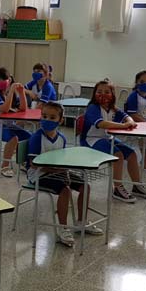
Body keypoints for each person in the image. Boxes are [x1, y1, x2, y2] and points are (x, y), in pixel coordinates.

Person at [26, 102, 101, 246]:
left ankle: (81, 222)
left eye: (52, 117)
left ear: (60, 120)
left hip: (58, 171)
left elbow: (62, 159)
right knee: (65, 190)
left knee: (85, 186)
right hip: (39, 174)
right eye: (44, 116)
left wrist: (64, 171)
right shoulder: (37, 137)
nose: (47, 120)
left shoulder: (62, 138)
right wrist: (57, 171)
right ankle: (63, 228)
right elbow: (33, 164)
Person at [81, 80, 146, 203]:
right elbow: (101, 124)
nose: (103, 94)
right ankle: (117, 188)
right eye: (99, 92)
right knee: (118, 155)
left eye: (106, 92)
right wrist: (124, 126)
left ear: (112, 95)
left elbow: (126, 116)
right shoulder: (93, 107)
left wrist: (130, 121)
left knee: (132, 154)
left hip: (107, 138)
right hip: (92, 139)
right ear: (94, 94)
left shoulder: (112, 108)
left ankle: (137, 185)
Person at [0, 67, 29, 178]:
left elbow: (23, 108)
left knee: (28, 137)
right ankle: (5, 166)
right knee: (13, 138)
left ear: (9, 80)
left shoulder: (11, 95)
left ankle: (23, 161)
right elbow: (5, 109)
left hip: (9, 125)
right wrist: (11, 91)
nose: (0, 81)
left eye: (3, 79)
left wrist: (21, 92)